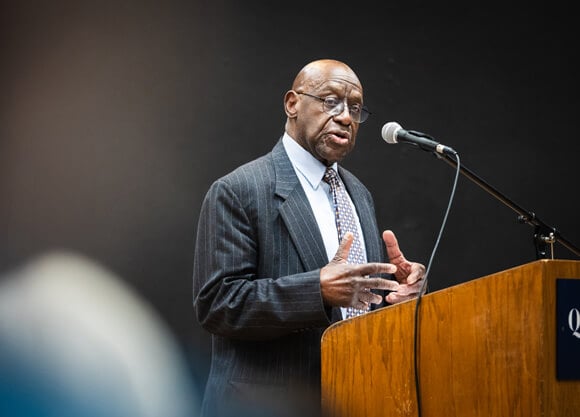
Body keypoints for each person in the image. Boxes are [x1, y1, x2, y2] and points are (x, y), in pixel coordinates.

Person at [192, 59, 426, 417]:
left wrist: (395, 298)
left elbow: (356, 305)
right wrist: (315, 291)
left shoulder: (358, 194)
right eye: (331, 101)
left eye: (355, 108)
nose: (346, 117)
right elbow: (218, 304)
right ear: (292, 104)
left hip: (352, 398)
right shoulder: (239, 189)